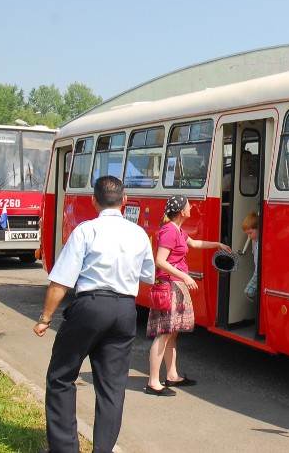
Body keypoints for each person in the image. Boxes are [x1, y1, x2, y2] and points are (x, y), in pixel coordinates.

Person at [33, 175, 155, 453]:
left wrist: (45, 319)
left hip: (90, 305)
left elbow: (61, 280)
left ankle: (64, 449)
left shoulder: (86, 231)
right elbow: (148, 274)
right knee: (112, 386)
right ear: (124, 201)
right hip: (125, 310)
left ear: (93, 201)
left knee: (61, 376)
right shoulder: (137, 233)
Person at [146, 195, 231, 396]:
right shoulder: (169, 231)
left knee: (171, 333)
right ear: (181, 211)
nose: (192, 206)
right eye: (188, 205)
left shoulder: (178, 230)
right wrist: (185, 275)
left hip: (175, 285)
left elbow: (195, 243)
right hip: (169, 286)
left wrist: (217, 244)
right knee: (164, 333)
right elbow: (160, 261)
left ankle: (172, 375)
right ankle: (153, 382)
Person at [241, 212, 260, 300]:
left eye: (250, 233)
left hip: (258, 269)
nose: (248, 236)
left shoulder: (260, 241)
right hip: (257, 267)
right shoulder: (254, 239)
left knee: (248, 291)